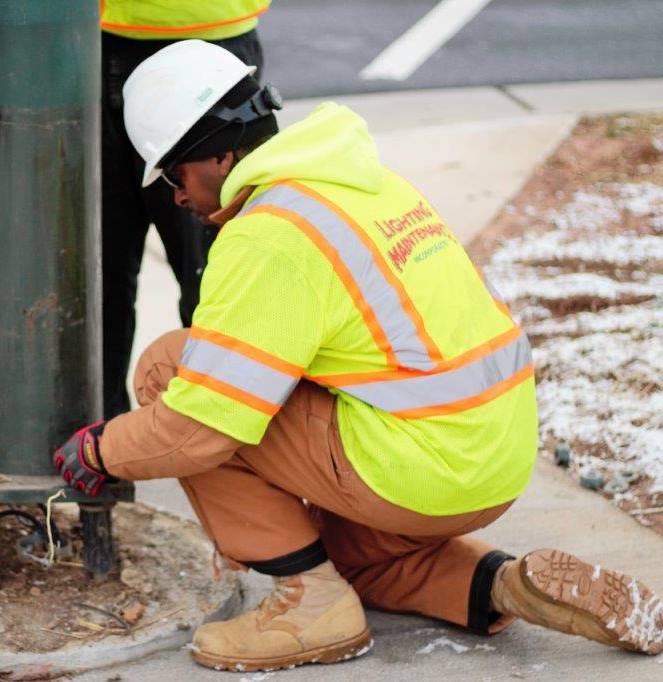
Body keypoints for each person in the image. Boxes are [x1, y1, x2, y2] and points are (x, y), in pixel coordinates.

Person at [53, 40, 663, 672]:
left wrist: (103, 450)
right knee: (342, 550)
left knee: (171, 370)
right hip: (498, 456)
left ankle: (308, 602)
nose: (176, 197)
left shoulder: (269, 235)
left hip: (420, 468)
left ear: (220, 155)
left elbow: (203, 424)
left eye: (175, 175)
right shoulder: (361, 182)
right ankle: (504, 586)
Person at [100, 0, 270, 418]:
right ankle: (106, 446)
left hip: (206, 41)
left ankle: (212, 435)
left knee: (213, 282)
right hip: (112, 37)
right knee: (103, 277)